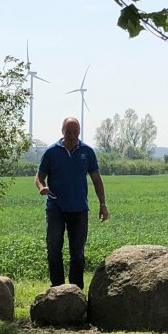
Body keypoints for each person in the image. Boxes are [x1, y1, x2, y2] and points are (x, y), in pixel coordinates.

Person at [35, 117, 109, 288]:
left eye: (75, 132)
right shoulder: (51, 152)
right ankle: (57, 289)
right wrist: (41, 187)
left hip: (79, 209)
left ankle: (75, 291)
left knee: (77, 254)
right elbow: (39, 176)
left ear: (79, 132)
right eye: (69, 132)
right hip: (55, 208)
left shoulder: (87, 152)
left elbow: (97, 180)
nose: (72, 135)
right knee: (54, 249)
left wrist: (103, 205)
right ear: (63, 131)